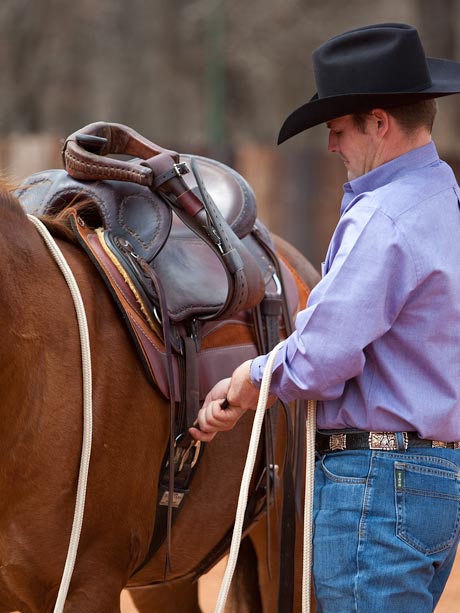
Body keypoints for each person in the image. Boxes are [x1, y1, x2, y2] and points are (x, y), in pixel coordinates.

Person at [190, 22, 460, 612]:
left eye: (339, 130)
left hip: (376, 487)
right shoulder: (446, 199)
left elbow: (322, 356)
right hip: (434, 480)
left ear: (380, 123)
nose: (333, 146)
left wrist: (249, 379)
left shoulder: (384, 217)